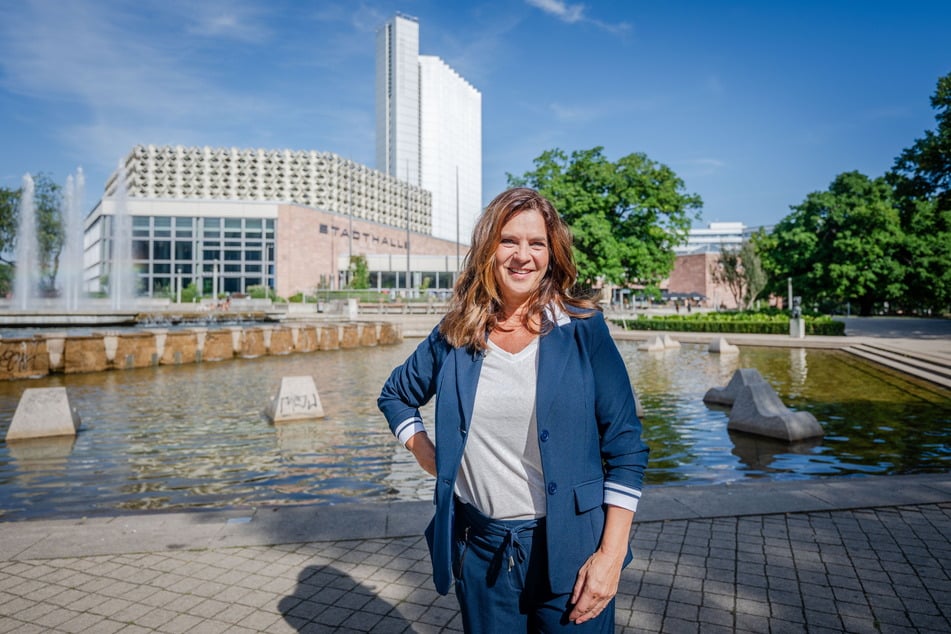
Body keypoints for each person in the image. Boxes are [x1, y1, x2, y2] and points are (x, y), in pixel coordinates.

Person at [378, 187, 649, 632]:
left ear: (552, 253)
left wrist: (611, 556)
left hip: (572, 550)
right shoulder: (456, 331)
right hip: (479, 550)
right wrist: (424, 450)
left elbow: (626, 447)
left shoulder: (582, 328)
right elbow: (395, 395)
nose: (522, 255)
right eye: (509, 241)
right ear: (488, 249)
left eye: (536, 243)